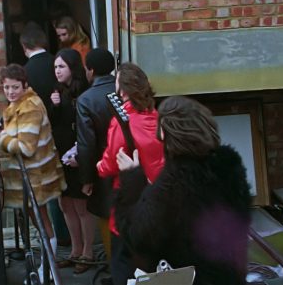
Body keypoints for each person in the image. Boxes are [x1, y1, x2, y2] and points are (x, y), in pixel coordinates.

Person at [114, 96, 252, 285]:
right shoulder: (228, 167)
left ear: (165, 133)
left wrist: (131, 179)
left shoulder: (175, 182)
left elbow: (138, 238)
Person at [96, 62, 165, 285]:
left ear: (122, 90)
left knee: (123, 261)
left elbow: (112, 161)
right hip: (156, 196)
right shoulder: (156, 117)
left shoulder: (122, 122)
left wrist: (99, 167)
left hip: (130, 198)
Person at [0, 63, 66, 283]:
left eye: (15, 87)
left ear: (25, 85)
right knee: (39, 225)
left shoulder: (30, 107)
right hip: (32, 178)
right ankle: (47, 272)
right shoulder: (20, 104)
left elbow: (26, 147)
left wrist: (3, 139)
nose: (10, 92)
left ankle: (48, 273)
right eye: (6, 87)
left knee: (43, 224)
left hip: (36, 178)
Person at [19, 23, 70, 247]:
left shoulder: (24, 73)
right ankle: (68, 235)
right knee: (66, 189)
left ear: (24, 46)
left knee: (48, 188)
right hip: (64, 131)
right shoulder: (58, 64)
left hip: (40, 138)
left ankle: (57, 236)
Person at [49, 48, 93, 274]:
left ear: (72, 68)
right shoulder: (57, 91)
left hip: (77, 155)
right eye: (55, 66)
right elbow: (56, 124)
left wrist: (80, 155)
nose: (57, 71)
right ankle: (75, 250)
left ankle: (88, 252)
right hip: (61, 154)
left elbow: (84, 128)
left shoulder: (82, 92)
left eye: (61, 66)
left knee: (81, 205)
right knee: (65, 204)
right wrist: (54, 106)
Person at [76, 48, 116, 272]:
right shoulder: (125, 90)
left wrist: (86, 178)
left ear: (90, 70)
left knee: (107, 217)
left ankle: (114, 267)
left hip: (104, 167)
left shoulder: (86, 100)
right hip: (132, 162)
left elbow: (86, 144)